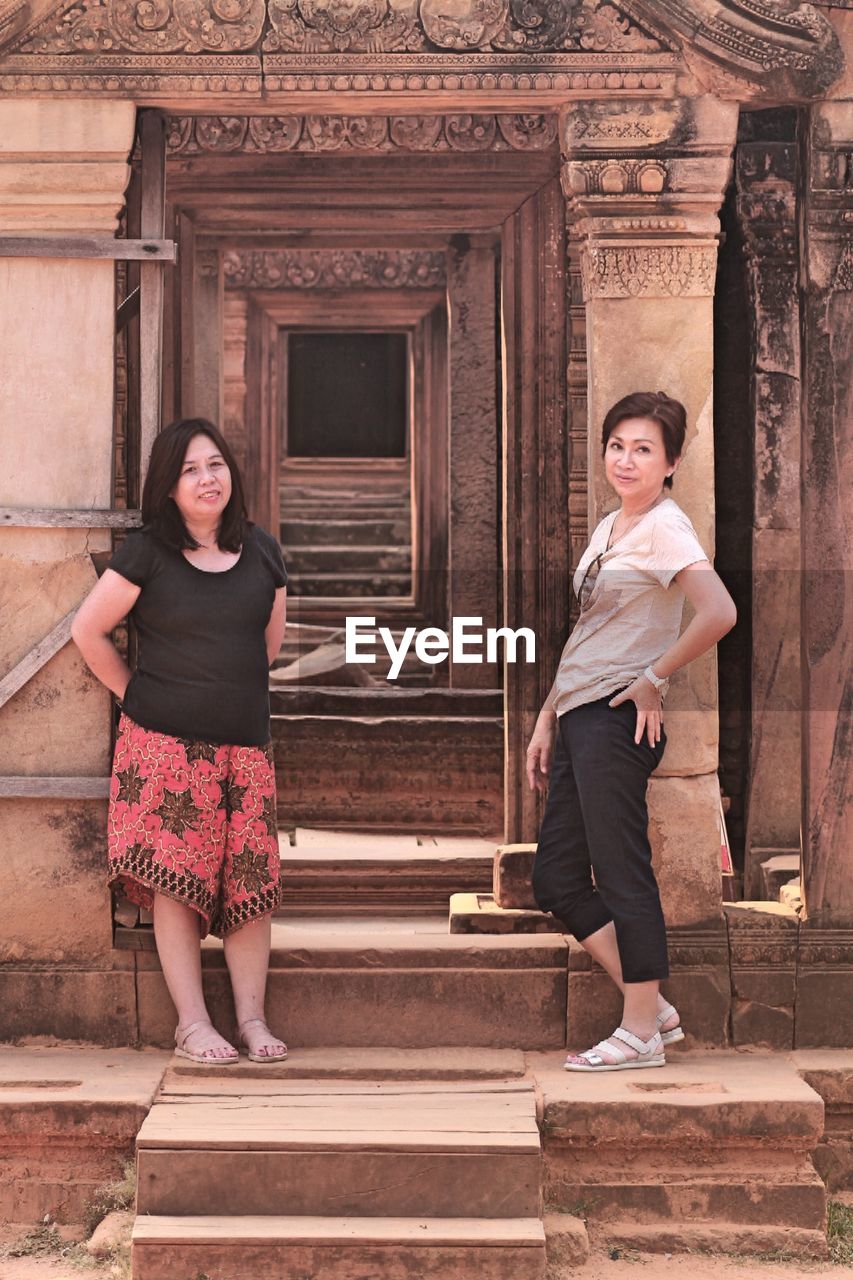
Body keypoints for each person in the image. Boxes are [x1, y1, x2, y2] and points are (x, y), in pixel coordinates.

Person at [526, 391, 737, 1072]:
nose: (625, 458)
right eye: (616, 445)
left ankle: (640, 1031)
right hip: (579, 711)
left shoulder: (664, 528)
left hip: (616, 719)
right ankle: (652, 1006)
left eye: (643, 448)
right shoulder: (613, 526)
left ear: (670, 462)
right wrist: (545, 717)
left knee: (621, 871)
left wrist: (653, 677)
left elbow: (717, 611)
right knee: (556, 877)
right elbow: (587, 634)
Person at [72, 419, 288, 1065]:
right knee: (178, 884)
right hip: (165, 750)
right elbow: (89, 631)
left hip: (245, 750)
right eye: (190, 469)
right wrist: (135, 696)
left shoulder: (264, 552)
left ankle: (251, 1021)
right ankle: (192, 1024)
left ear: (231, 475)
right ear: (168, 487)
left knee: (249, 888)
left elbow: (267, 648)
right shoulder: (147, 554)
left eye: (215, 464)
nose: (206, 478)